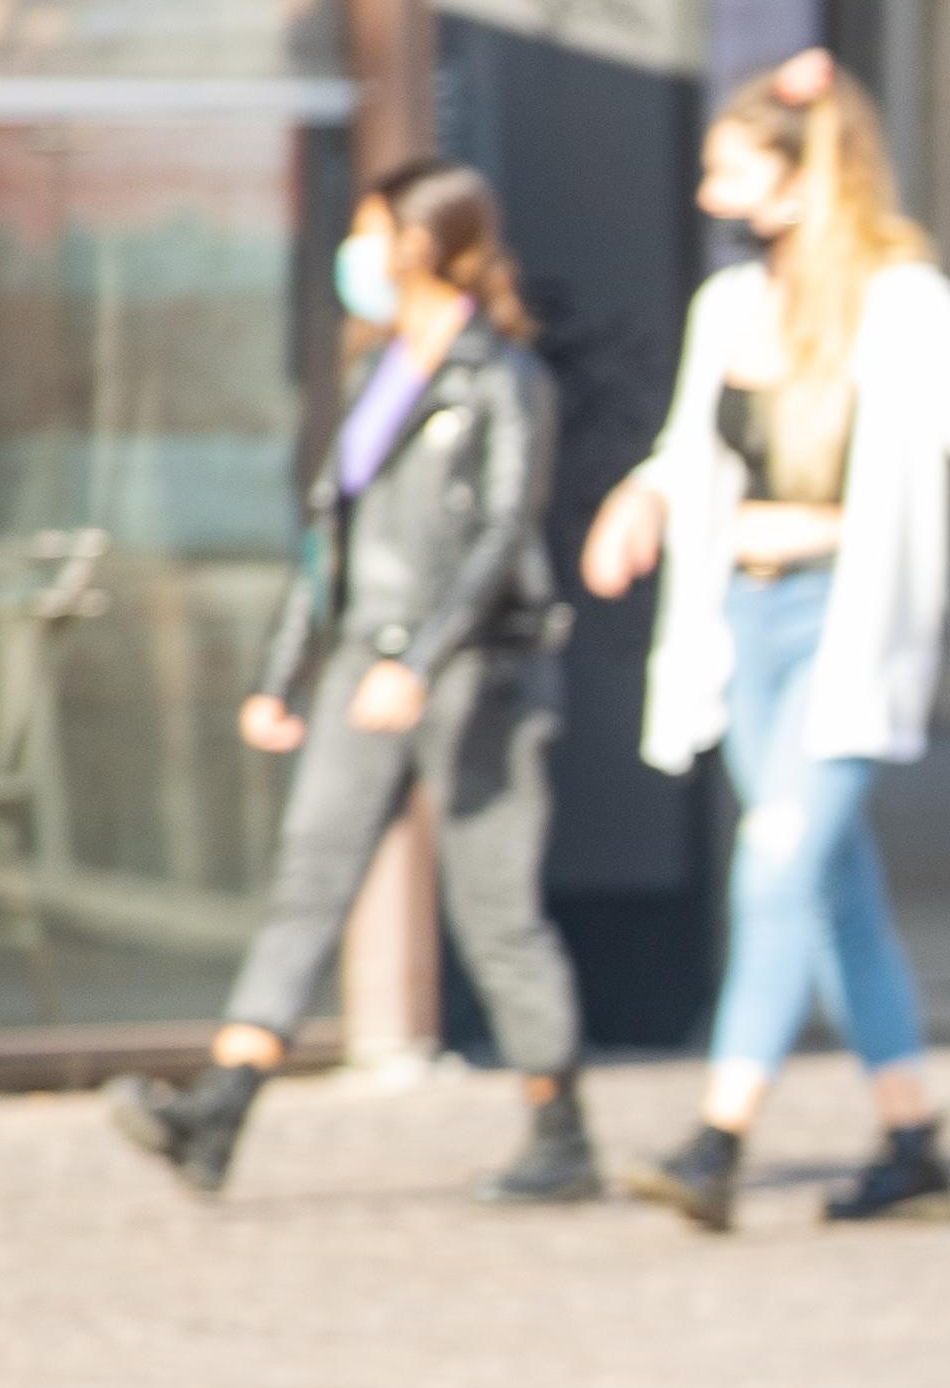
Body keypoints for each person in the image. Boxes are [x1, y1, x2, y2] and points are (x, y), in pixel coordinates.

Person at [579, 49, 950, 1232]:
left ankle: (719, 1138)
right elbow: (689, 450)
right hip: (743, 621)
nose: (708, 193)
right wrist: (640, 497)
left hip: (840, 626)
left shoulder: (901, 303)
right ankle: (914, 1139)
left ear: (803, 178)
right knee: (827, 886)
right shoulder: (730, 306)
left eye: (729, 168)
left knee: (774, 865)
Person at [110, 160, 594, 1204]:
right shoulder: (384, 368)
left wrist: (420, 662)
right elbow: (332, 537)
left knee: (496, 908)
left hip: (475, 675)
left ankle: (561, 1132)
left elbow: (503, 535)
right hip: (362, 662)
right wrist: (283, 671)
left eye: (372, 233)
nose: (357, 256)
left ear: (420, 243)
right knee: (309, 882)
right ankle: (221, 1109)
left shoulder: (501, 376)